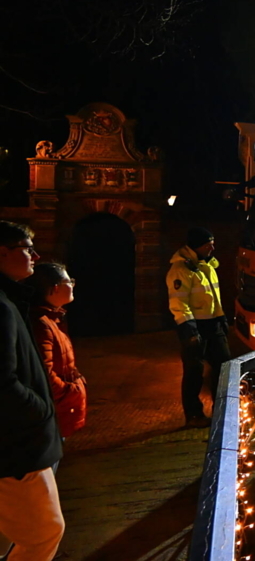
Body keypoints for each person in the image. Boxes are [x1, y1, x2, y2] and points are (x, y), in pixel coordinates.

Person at [0, 221, 65, 560]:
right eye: (27, 248)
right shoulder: (2, 307)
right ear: (3, 252)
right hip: (18, 449)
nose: (35, 256)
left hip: (18, 443)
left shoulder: (10, 299)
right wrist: (41, 412)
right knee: (44, 533)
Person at [167, 227, 230, 429]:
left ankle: (221, 411)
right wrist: (190, 330)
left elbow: (213, 296)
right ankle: (194, 415)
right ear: (196, 247)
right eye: (207, 244)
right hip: (194, 326)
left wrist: (220, 318)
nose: (212, 247)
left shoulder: (206, 266)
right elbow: (179, 303)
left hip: (212, 324)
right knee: (194, 372)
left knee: (224, 367)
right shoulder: (181, 270)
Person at [25, 264, 86, 443]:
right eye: (69, 281)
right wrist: (74, 390)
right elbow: (46, 375)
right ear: (55, 288)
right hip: (53, 413)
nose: (73, 285)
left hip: (58, 411)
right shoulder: (42, 325)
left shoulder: (52, 319)